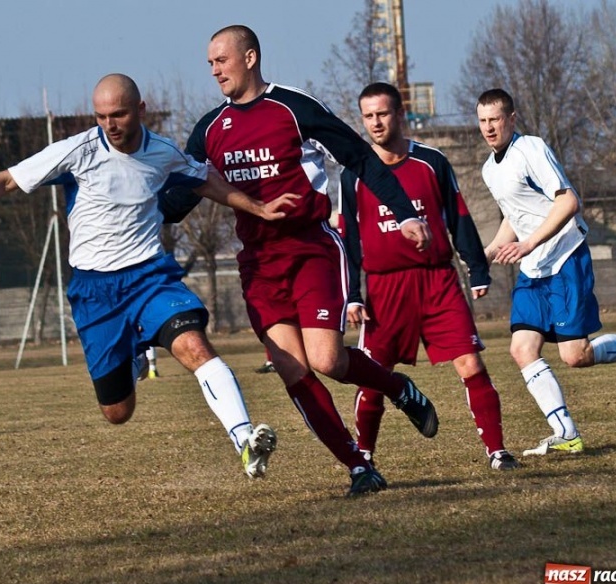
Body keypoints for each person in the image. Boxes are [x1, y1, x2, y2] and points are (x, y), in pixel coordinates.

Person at [0, 73, 296, 479]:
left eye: (118, 114)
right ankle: (131, 360)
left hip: (150, 277)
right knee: (117, 412)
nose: (110, 124)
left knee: (195, 347)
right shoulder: (76, 151)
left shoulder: (163, 152)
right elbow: (7, 180)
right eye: (101, 116)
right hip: (95, 292)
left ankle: (245, 443)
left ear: (140, 110)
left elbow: (205, 181)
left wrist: (258, 207)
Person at [181, 25, 439, 496]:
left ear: (251, 57)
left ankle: (399, 389)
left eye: (222, 59)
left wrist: (404, 213)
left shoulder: (294, 108)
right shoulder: (209, 129)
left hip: (311, 250)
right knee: (292, 368)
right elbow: (182, 193)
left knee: (327, 359)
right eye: (210, 63)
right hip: (258, 265)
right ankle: (360, 467)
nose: (215, 69)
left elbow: (360, 158)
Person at [476, 88, 616, 456]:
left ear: (511, 119)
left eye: (495, 119)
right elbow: (516, 213)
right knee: (521, 348)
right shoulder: (488, 169)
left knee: (575, 355)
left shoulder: (531, 148)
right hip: (533, 269)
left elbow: (569, 201)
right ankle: (566, 433)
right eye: (482, 121)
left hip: (564, 257)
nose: (489, 128)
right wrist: (491, 249)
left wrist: (528, 244)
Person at [340, 82, 520, 471]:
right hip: (384, 290)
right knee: (373, 377)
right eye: (368, 116)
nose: (375, 122)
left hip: (437, 281)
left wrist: (476, 266)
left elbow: (459, 215)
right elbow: (349, 240)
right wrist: (351, 295)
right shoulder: (352, 174)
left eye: (383, 114)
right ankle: (364, 458)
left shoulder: (431, 161)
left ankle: (498, 452)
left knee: (470, 364)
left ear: (400, 115)